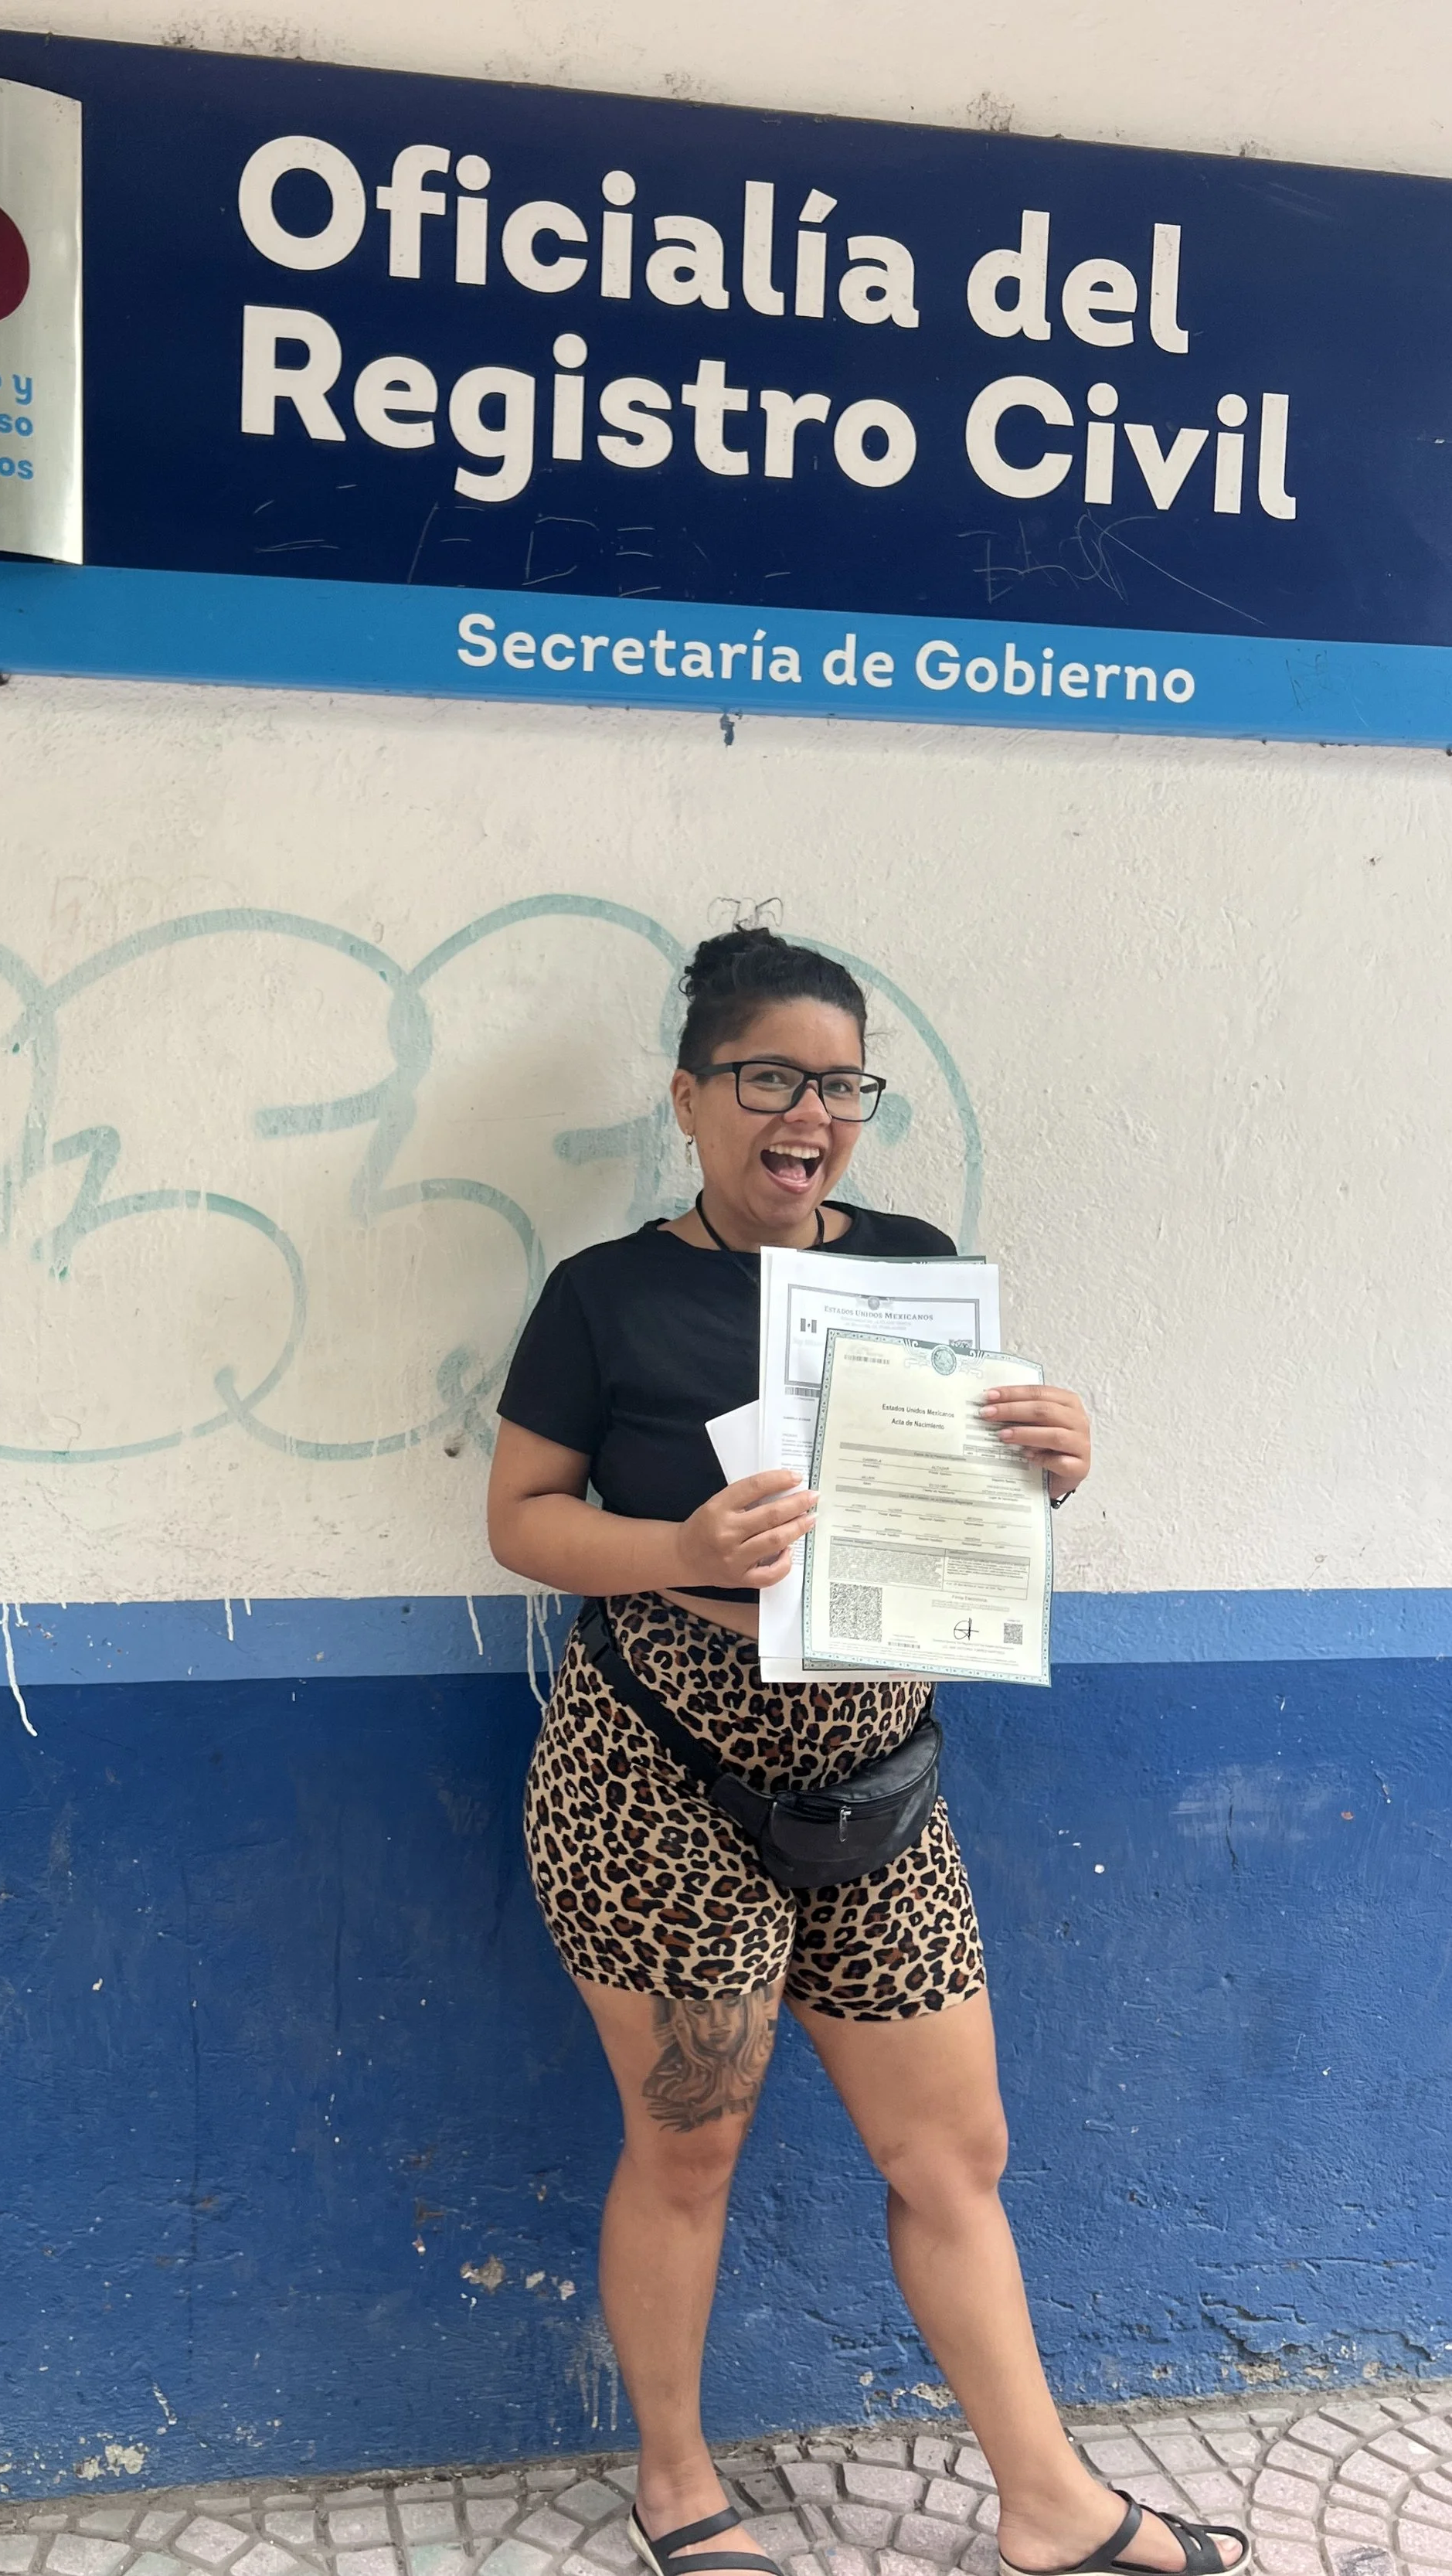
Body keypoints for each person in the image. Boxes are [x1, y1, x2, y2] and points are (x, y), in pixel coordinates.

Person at [487, 928, 1246, 2576]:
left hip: (876, 1787)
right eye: (767, 1076)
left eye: (838, 1083)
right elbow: (521, 1525)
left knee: (950, 2151)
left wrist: (1045, 1461)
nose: (805, 1110)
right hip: (656, 1781)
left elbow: (943, 1513)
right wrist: (677, 1543)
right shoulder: (603, 1296)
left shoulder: (908, 1265)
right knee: (689, 2145)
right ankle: (677, 2481)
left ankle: (1045, 2502)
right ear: (691, 1098)